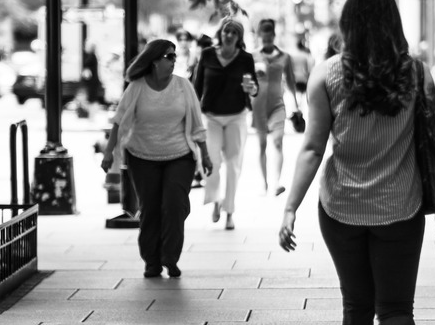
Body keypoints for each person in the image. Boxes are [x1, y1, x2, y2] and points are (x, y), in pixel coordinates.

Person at [279, 0, 435, 325]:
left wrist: (290, 207)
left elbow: (312, 148)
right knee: (396, 307)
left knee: (357, 305)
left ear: (347, 22)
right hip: (401, 207)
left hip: (342, 209)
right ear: (394, 20)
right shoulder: (416, 74)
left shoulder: (327, 75)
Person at [101, 39, 212, 278]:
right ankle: (151, 261)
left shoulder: (183, 86)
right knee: (150, 209)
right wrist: (109, 152)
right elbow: (119, 121)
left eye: (174, 57)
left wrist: (205, 154)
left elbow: (196, 124)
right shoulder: (137, 87)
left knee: (174, 205)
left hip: (180, 156)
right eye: (169, 57)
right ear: (154, 62)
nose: (174, 61)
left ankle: (170, 258)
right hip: (142, 156)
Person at [192, 17, 259, 229]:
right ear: (220, 34)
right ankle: (215, 200)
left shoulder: (245, 58)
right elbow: (197, 86)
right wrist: (193, 114)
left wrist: (251, 89)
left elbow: (254, 87)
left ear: (239, 38)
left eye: (233, 33)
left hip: (236, 116)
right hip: (211, 117)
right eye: (225, 32)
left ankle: (229, 211)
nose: (228, 35)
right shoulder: (208, 54)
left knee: (233, 164)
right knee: (210, 162)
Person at [249, 18, 301, 195]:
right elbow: (246, 81)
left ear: (274, 36)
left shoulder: (285, 57)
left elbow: (291, 82)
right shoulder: (253, 56)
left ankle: (277, 182)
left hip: (278, 105)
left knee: (278, 142)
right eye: (264, 39)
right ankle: (264, 183)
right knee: (262, 144)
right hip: (258, 105)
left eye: (269, 38)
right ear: (259, 37)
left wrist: (297, 104)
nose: (267, 42)